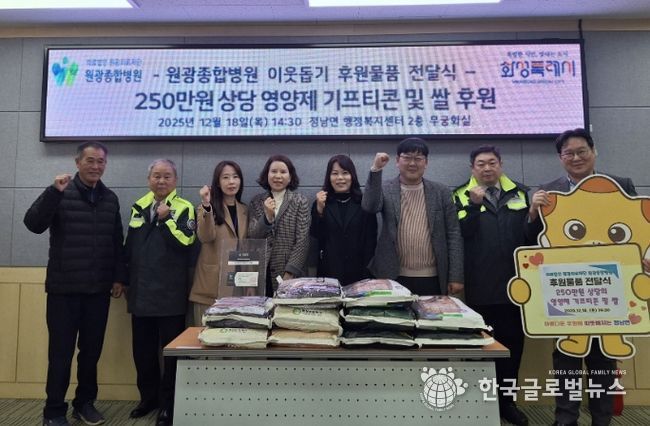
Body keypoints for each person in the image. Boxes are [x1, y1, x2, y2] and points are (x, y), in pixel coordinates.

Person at [529, 128, 638, 426]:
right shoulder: (546, 192)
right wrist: (533, 213)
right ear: (560, 158)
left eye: (581, 151)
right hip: (565, 288)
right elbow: (530, 240)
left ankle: (602, 419)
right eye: (569, 153)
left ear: (594, 151)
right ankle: (566, 419)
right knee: (566, 357)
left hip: (608, 286)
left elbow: (637, 230)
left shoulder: (621, 185)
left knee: (603, 358)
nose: (576, 158)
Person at [24, 141, 124, 426]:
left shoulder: (110, 198)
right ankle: (54, 411)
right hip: (63, 290)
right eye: (90, 160)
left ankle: (84, 404)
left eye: (101, 161)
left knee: (91, 354)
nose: (96, 166)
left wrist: (119, 277)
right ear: (77, 162)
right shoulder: (60, 192)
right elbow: (33, 223)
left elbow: (116, 242)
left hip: (98, 290)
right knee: (60, 354)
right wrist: (53, 192)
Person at [453, 145, 532, 426]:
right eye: (481, 164)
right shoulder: (459, 195)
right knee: (480, 348)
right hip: (479, 285)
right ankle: (481, 404)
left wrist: (535, 214)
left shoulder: (522, 193)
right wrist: (474, 206)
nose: (487, 168)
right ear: (472, 168)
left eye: (492, 162)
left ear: (501, 164)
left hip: (516, 285)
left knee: (513, 347)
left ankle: (507, 403)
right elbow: (461, 234)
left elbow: (531, 236)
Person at [116, 159, 195, 426]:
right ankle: (147, 398)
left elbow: (186, 242)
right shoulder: (139, 205)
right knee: (142, 351)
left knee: (171, 353)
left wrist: (167, 218)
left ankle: (169, 404)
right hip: (140, 292)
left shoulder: (184, 207)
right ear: (149, 179)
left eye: (167, 176)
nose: (161, 181)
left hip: (170, 293)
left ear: (175, 180)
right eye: (157, 176)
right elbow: (129, 247)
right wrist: (122, 279)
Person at [361, 136, 464, 296]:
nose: (412, 163)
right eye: (407, 158)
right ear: (397, 161)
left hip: (433, 276)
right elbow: (369, 206)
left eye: (418, 158)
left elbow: (453, 234)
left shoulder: (441, 191)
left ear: (426, 162)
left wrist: (456, 276)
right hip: (393, 274)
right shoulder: (386, 188)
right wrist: (376, 170)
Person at [189, 160, 248, 325]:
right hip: (210, 287)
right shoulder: (206, 208)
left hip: (239, 287)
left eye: (235, 177)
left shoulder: (245, 210)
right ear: (217, 182)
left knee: (233, 338)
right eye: (225, 177)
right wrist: (206, 204)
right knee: (205, 337)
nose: (231, 182)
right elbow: (205, 237)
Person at [248, 154, 311, 295]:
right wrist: (267, 218)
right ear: (267, 175)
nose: (278, 176)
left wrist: (291, 271)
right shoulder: (256, 202)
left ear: (290, 177)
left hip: (290, 272)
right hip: (262, 271)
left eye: (283, 172)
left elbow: (302, 241)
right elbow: (253, 236)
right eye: (273, 171)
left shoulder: (300, 201)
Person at [310, 154, 377, 285]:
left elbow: (371, 241)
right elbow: (316, 236)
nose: (340, 178)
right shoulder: (321, 202)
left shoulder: (364, 203)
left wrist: (367, 274)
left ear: (352, 176)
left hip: (359, 273)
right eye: (335, 173)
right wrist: (319, 211)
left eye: (345, 173)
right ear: (329, 177)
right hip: (329, 272)